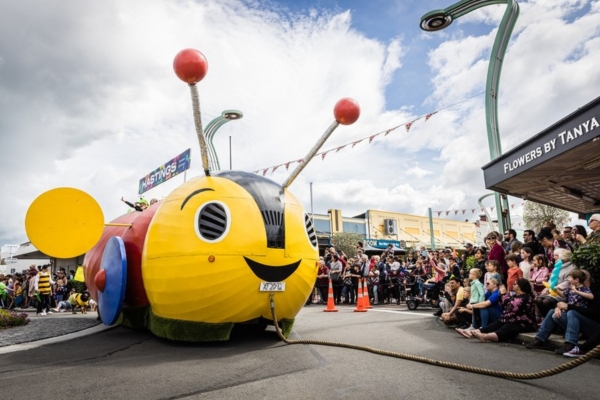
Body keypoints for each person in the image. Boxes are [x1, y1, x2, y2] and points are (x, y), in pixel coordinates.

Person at [527, 269, 592, 351]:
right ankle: (540, 339)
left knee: (572, 312)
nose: (568, 279)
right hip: (569, 316)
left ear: (577, 280)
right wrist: (556, 290)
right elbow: (564, 295)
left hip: (580, 319)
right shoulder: (570, 288)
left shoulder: (585, 289)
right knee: (552, 312)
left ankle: (570, 343)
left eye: (570, 277)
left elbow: (591, 296)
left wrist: (577, 292)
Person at [458, 278, 536, 342]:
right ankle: (473, 332)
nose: (513, 285)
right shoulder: (514, 295)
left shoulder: (525, 297)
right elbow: (504, 305)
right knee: (498, 323)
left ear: (520, 286)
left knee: (506, 327)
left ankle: (485, 336)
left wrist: (503, 294)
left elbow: (510, 305)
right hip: (510, 318)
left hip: (523, 322)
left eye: (515, 284)